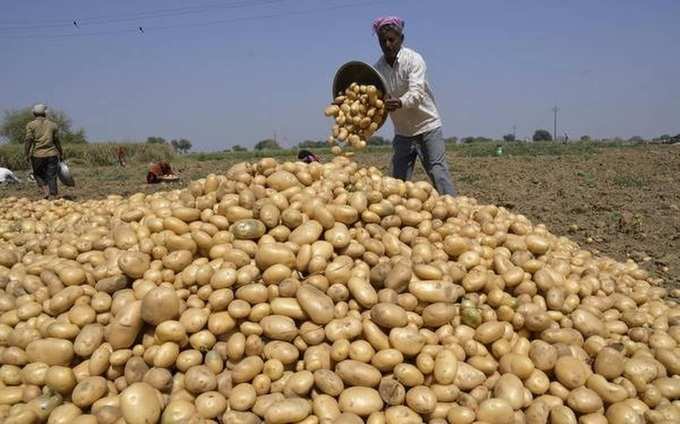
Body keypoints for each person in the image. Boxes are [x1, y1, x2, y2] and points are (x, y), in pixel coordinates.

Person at [372, 16, 457, 196]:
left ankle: (455, 212)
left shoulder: (413, 60)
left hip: (427, 126)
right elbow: (372, 97)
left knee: (438, 172)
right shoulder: (377, 69)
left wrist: (400, 102)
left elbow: (417, 94)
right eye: (383, 41)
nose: (387, 44)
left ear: (401, 39)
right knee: (397, 181)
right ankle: (396, 219)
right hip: (402, 132)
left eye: (391, 40)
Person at [24, 104, 63, 199]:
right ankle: (53, 194)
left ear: (34, 113)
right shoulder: (53, 125)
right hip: (52, 154)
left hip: (37, 154)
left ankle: (46, 191)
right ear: (45, 113)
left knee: (38, 174)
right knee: (52, 175)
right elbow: (56, 140)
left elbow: (28, 140)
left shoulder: (31, 125)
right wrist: (60, 152)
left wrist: (26, 153)